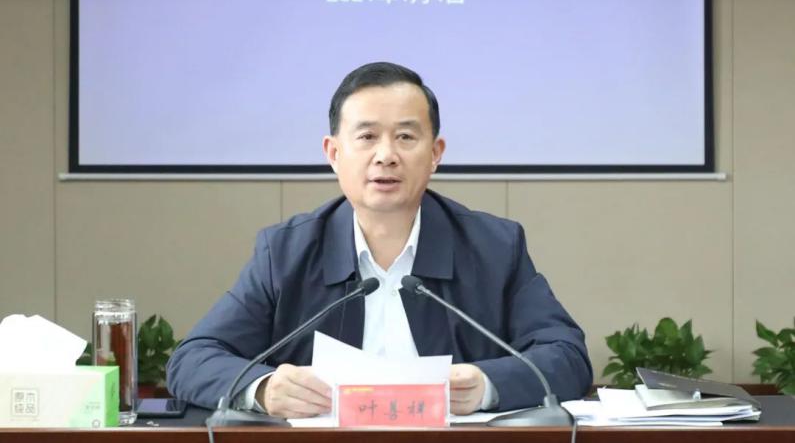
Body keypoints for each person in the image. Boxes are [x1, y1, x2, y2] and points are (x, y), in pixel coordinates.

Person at [167, 62, 592, 417]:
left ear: (435, 153)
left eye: (405, 137)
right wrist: (262, 389)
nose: (386, 155)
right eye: (367, 137)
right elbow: (192, 359)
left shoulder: (494, 247)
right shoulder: (286, 252)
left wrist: (487, 385)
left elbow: (567, 356)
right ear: (334, 153)